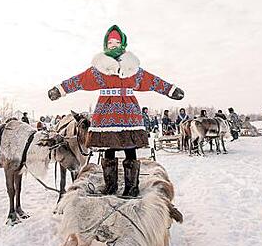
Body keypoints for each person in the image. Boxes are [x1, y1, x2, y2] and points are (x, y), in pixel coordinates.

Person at [48, 24, 184, 197]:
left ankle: (131, 187)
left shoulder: (132, 70)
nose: (113, 44)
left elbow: (152, 81)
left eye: (116, 42)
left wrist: (171, 90)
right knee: (108, 149)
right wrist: (60, 90)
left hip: (129, 114)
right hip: (106, 114)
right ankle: (110, 186)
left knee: (130, 149)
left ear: (122, 44)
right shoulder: (99, 70)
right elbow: (79, 80)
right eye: (110, 42)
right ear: (106, 44)